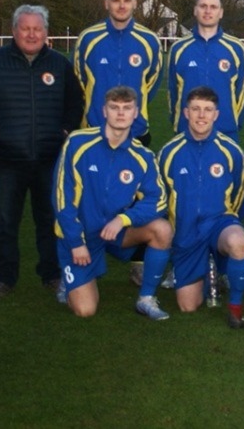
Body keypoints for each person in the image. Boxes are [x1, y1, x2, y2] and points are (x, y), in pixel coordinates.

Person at [0, 5, 83, 299]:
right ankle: (5, 278)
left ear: (46, 32)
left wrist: (65, 132)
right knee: (6, 221)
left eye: (37, 29)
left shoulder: (59, 63)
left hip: (49, 160)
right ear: (14, 30)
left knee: (49, 220)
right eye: (25, 28)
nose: (32, 34)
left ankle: (52, 274)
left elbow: (75, 104)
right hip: (8, 160)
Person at [53, 86, 174, 320]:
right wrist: (76, 241)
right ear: (103, 111)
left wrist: (123, 219)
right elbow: (62, 197)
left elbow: (158, 199)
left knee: (162, 229)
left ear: (135, 113)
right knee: (85, 310)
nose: (121, 113)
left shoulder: (142, 156)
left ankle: (146, 298)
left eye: (127, 108)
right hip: (81, 237)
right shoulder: (78, 143)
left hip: (115, 232)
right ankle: (71, 279)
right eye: (114, 107)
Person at [158, 86, 244, 327]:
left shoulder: (232, 151)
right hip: (187, 233)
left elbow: (240, 194)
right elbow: (161, 199)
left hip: (219, 223)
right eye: (196, 109)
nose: (202, 115)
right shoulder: (169, 152)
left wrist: (230, 220)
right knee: (188, 306)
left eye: (208, 110)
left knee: (238, 240)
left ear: (216, 115)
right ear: (186, 113)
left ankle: (235, 307)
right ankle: (206, 270)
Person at [74, 0, 161, 146]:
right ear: (106, 3)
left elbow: (151, 83)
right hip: (95, 129)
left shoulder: (149, 41)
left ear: (135, 3)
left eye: (127, 0)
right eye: (116, 0)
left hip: (136, 131)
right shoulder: (88, 39)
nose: (122, 6)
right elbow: (78, 81)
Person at [167, 0, 244, 140]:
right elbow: (172, 91)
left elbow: (242, 92)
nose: (207, 11)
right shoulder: (178, 49)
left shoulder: (236, 48)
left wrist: (233, 123)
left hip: (225, 131)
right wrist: (178, 121)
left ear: (221, 12)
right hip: (186, 130)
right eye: (203, 6)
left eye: (213, 7)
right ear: (195, 10)